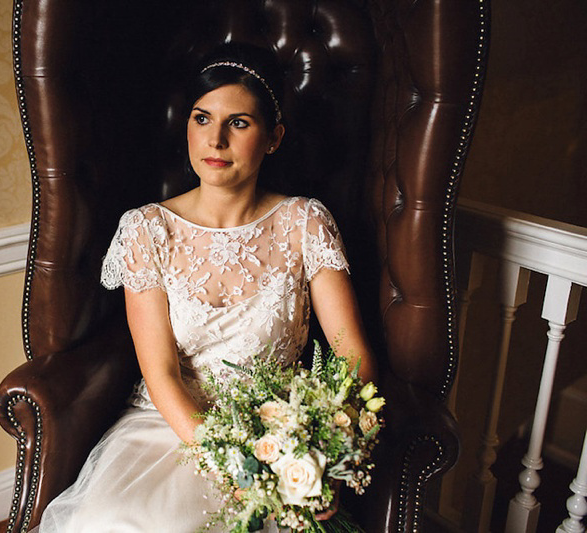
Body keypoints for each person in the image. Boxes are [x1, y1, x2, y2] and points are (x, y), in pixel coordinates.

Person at [37, 43, 377, 533]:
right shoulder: (146, 230)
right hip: (170, 425)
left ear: (273, 137)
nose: (215, 139)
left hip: (276, 429)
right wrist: (234, 466)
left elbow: (353, 357)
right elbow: (161, 374)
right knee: (116, 520)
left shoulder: (306, 222)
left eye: (238, 123)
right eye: (202, 118)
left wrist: (330, 452)